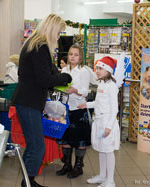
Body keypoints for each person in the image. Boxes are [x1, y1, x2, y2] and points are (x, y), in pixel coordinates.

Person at [12, 14, 72, 187]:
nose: (59, 36)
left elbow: (48, 71)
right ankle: (28, 182)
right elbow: (44, 80)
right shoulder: (40, 47)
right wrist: (65, 78)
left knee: (32, 145)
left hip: (27, 100)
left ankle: (28, 181)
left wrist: (59, 75)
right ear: (52, 29)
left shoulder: (34, 44)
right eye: (59, 32)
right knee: (37, 147)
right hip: (29, 101)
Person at [78, 56, 120, 187]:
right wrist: (87, 105)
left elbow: (114, 109)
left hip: (107, 124)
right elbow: (99, 103)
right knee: (101, 150)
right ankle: (102, 176)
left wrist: (108, 127)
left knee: (108, 151)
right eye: (96, 68)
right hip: (99, 122)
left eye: (101, 68)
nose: (97, 70)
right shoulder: (101, 84)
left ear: (108, 70)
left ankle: (110, 180)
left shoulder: (112, 86)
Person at [56, 44, 93, 179]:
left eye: (76, 55)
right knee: (66, 137)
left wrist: (75, 91)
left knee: (79, 139)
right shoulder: (64, 69)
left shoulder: (84, 71)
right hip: (64, 108)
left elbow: (85, 91)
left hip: (78, 108)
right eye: (71, 54)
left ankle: (78, 166)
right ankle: (67, 164)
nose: (72, 57)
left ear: (80, 57)